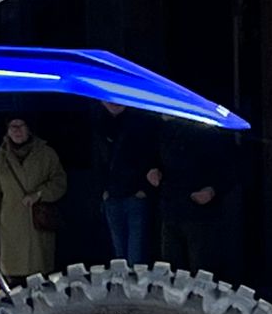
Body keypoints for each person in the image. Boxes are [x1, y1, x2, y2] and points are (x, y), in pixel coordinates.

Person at [0, 115, 67, 280]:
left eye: (21, 125)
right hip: (12, 227)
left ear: (29, 129)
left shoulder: (46, 154)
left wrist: (40, 194)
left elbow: (60, 182)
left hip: (39, 225)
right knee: (16, 278)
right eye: (12, 126)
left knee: (42, 275)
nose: (17, 130)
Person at [158, 123, 237, 280]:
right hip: (172, 208)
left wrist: (212, 190)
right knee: (173, 266)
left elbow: (230, 170)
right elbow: (156, 159)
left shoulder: (211, 134)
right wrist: (154, 170)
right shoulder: (168, 130)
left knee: (202, 267)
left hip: (200, 211)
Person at [96, 100, 162, 265]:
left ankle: (136, 290)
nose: (113, 103)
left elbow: (154, 156)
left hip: (135, 195)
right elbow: (99, 160)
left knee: (136, 256)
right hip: (113, 195)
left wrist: (144, 189)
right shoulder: (100, 124)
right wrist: (104, 190)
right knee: (120, 257)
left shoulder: (144, 122)